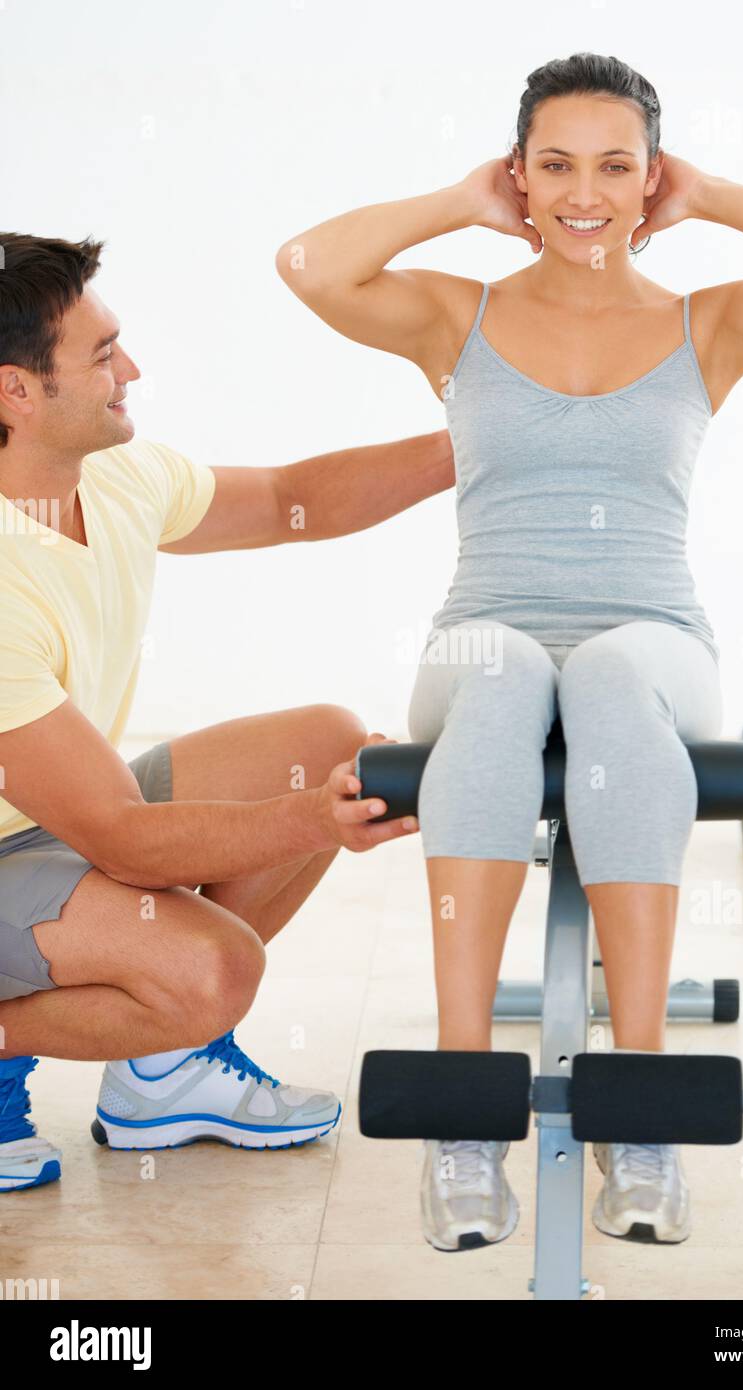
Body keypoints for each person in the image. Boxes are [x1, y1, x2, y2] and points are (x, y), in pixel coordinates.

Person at [276, 51, 743, 1251]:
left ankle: (636, 1105)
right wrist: (459, 201)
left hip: (653, 644)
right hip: (483, 635)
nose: (583, 190)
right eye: (553, 164)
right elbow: (309, 264)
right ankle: (462, 1116)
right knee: (503, 668)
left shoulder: (706, 324)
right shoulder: (460, 312)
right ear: (520, 174)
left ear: (651, 178)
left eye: (615, 165)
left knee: (602, 671)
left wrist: (708, 198)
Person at [0, 231, 454, 1190]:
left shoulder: (111, 476)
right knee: (212, 974)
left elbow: (296, 500)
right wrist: (313, 818)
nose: (132, 369)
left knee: (322, 741)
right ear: (16, 391)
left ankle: (161, 1078)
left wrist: (480, 443)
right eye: (101, 355)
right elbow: (124, 841)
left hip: (52, 815)